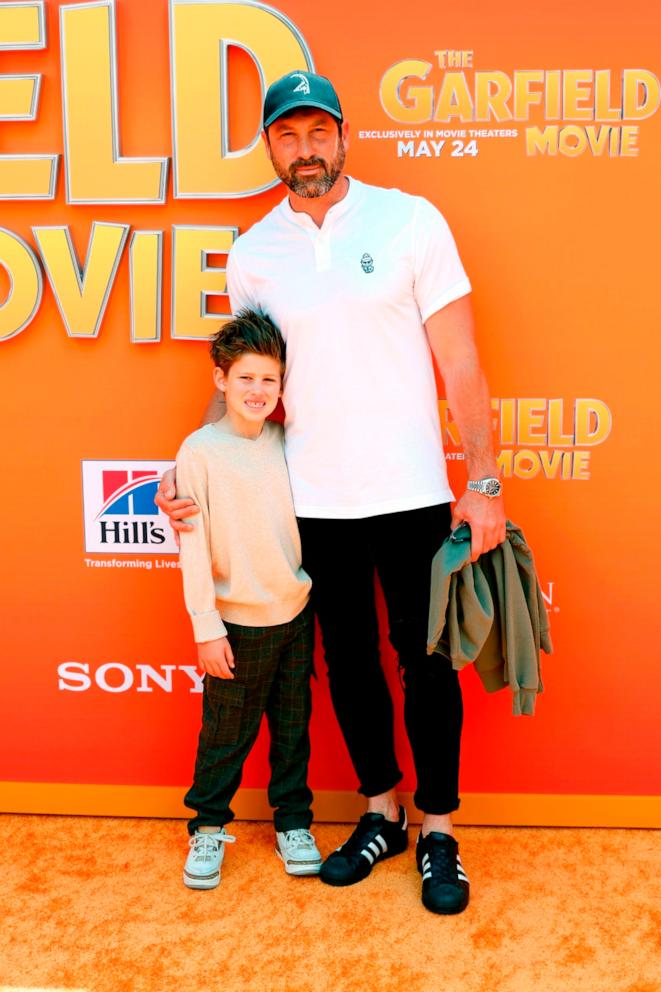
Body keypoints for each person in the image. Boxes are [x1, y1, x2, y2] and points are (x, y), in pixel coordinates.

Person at [157, 70, 505, 914]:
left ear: (343, 135)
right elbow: (245, 380)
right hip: (308, 499)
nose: (304, 150)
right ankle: (380, 812)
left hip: (414, 490)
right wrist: (194, 464)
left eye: (318, 133)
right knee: (347, 664)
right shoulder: (255, 251)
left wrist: (483, 482)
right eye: (287, 135)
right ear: (269, 145)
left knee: (424, 667)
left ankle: (439, 830)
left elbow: (457, 361)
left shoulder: (409, 220)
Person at [176, 308, 322, 890]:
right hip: (235, 624)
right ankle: (208, 828)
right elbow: (191, 546)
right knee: (225, 734)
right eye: (245, 378)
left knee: (293, 731)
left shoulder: (289, 441)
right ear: (220, 380)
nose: (258, 391)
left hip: (295, 613)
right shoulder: (199, 452)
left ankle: (294, 823)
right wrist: (205, 625)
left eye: (269, 379)